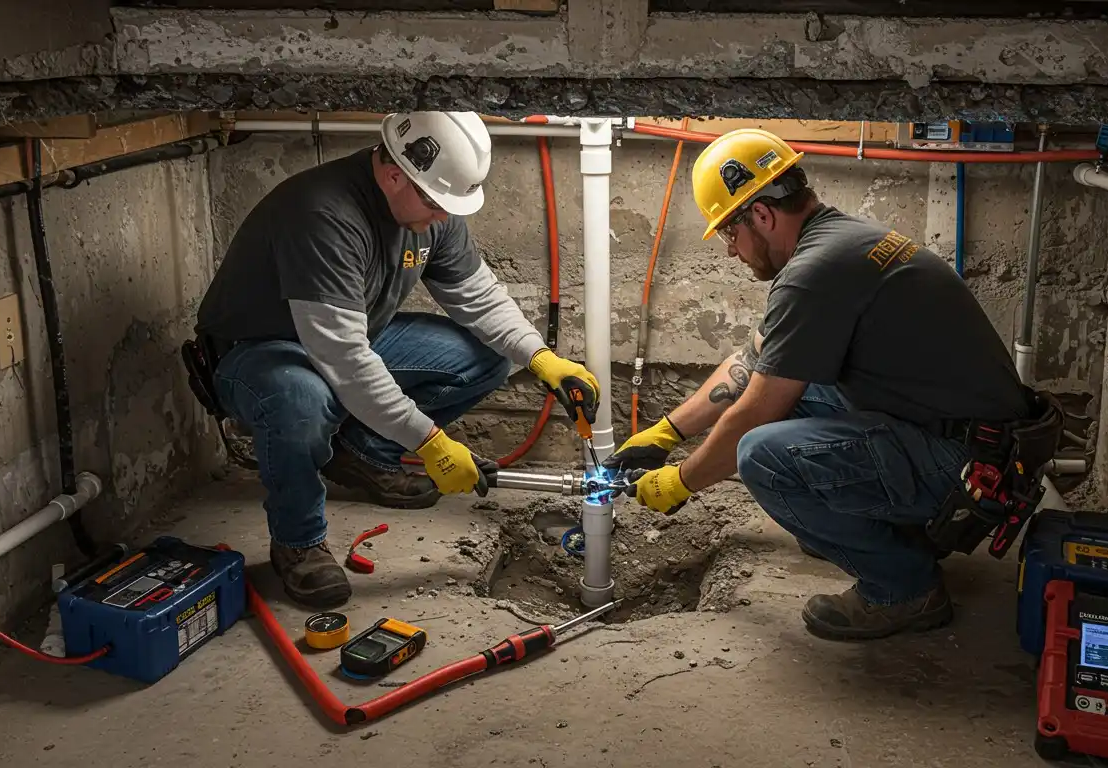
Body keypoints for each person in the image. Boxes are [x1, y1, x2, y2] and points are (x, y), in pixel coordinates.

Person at [604, 128, 1031, 641]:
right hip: (976, 441)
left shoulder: (813, 274)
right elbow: (751, 362)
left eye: (728, 233)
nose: (730, 252)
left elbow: (755, 413)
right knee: (796, 395)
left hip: (970, 469)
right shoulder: (841, 242)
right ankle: (886, 530)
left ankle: (906, 589)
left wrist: (679, 481)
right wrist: (666, 432)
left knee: (762, 454)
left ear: (761, 215)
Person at [193, 111, 599, 609]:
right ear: (392, 174)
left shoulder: (431, 213)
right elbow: (344, 360)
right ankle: (298, 543)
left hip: (350, 335)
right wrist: (430, 443)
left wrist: (540, 357)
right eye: (437, 202)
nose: (445, 217)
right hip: (261, 351)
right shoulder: (324, 215)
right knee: (302, 401)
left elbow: (478, 298)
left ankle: (361, 454)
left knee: (485, 356)